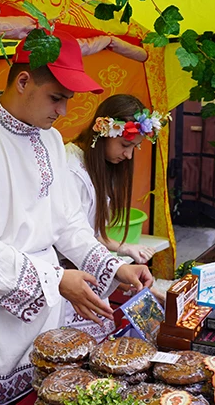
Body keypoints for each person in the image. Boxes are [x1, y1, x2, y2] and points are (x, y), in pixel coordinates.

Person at [0, 30, 153, 405]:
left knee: (41, 393)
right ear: (23, 80)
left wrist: (114, 267)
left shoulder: (49, 141)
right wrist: (55, 279)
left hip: (43, 311)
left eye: (67, 101)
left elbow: (67, 224)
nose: (63, 112)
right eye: (57, 98)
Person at [62, 94, 170, 341]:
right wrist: (116, 267)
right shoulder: (70, 167)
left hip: (85, 273)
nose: (129, 156)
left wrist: (122, 257)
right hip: (69, 281)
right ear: (103, 131)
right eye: (124, 145)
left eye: (134, 147)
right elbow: (73, 238)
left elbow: (92, 234)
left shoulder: (99, 165)